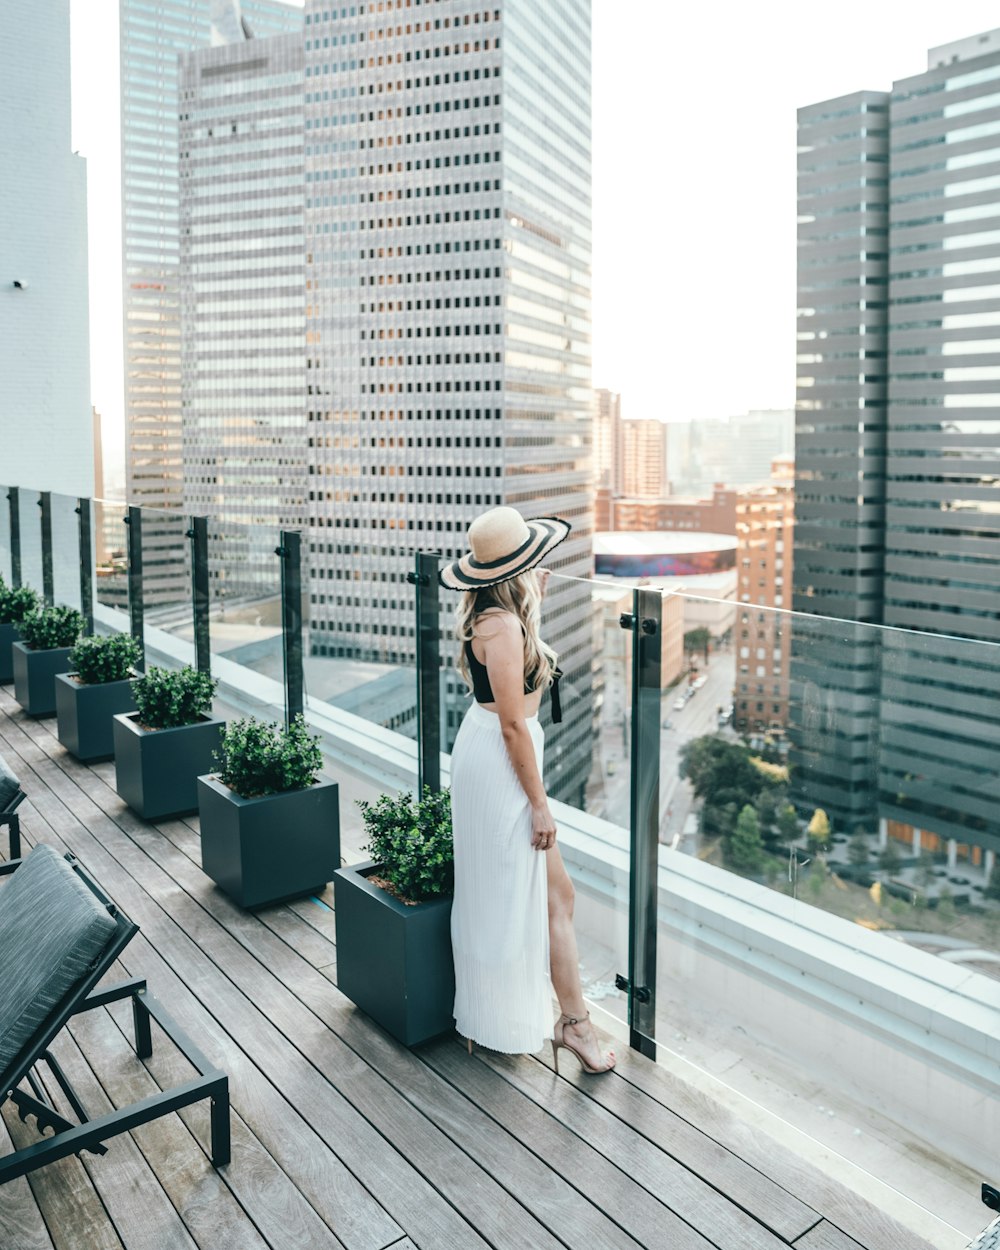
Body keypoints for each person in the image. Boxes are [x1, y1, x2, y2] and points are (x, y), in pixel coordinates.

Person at [439, 507, 615, 1074]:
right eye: (537, 562)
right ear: (520, 568)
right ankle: (574, 1025)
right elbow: (515, 724)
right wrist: (540, 805)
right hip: (502, 761)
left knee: (529, 893)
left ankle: (546, 1018)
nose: (545, 569)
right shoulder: (506, 628)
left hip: (489, 751)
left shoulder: (492, 618)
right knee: (538, 893)